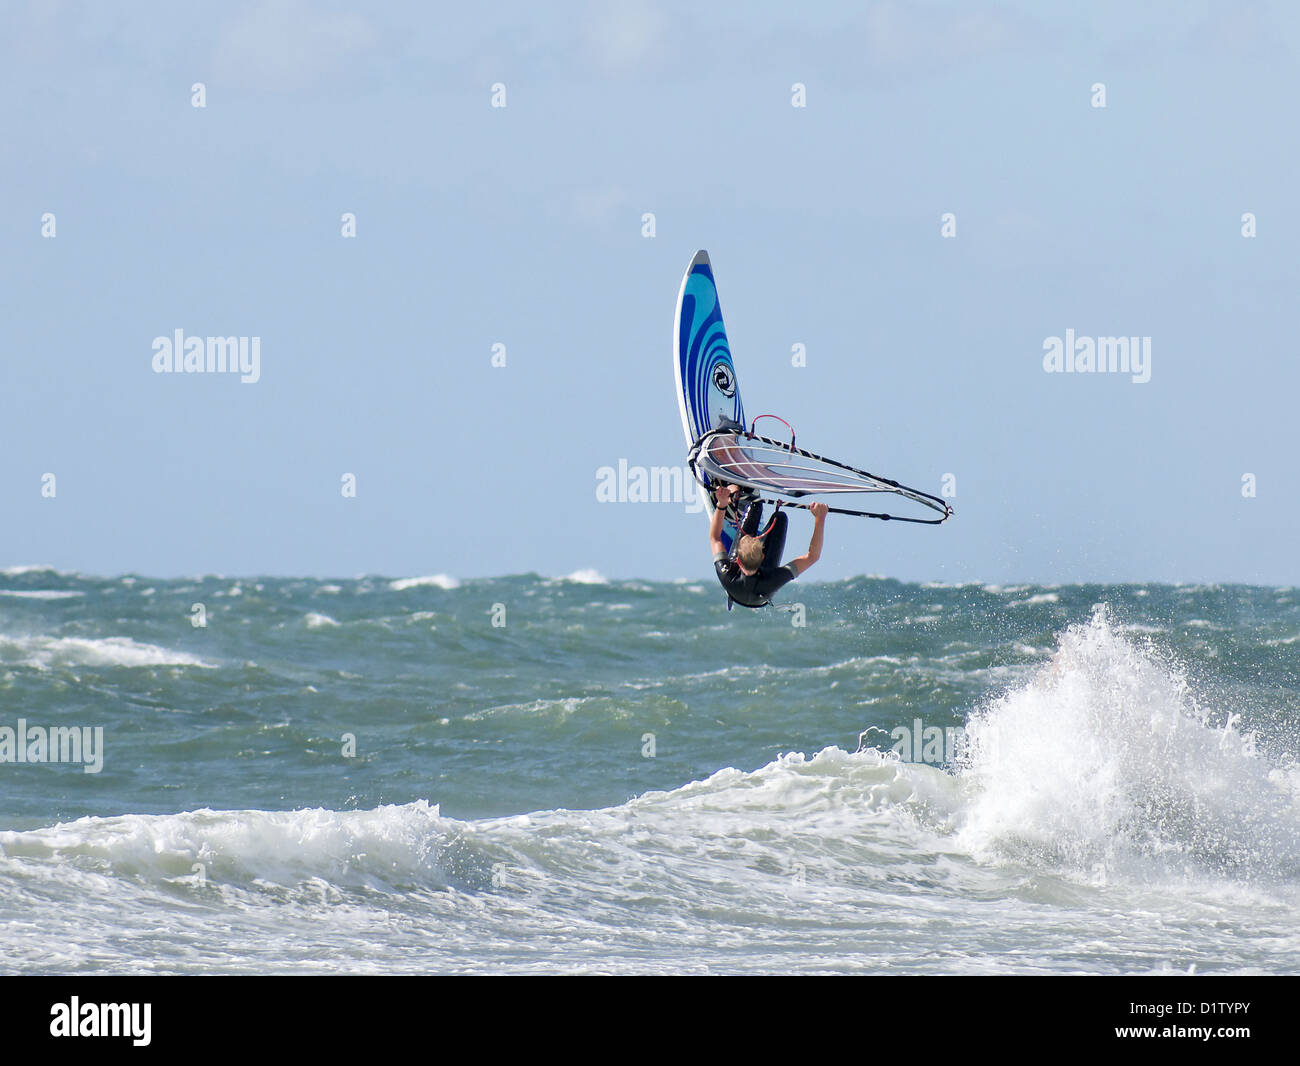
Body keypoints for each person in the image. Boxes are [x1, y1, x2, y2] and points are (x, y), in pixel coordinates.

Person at [709, 484, 828, 608]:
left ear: (737, 560)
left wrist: (721, 505)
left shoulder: (727, 573)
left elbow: (715, 538)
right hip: (763, 587)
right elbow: (812, 556)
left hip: (735, 590)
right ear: (762, 556)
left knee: (755, 505)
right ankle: (736, 493)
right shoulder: (773, 579)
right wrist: (820, 519)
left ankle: (733, 494)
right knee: (780, 517)